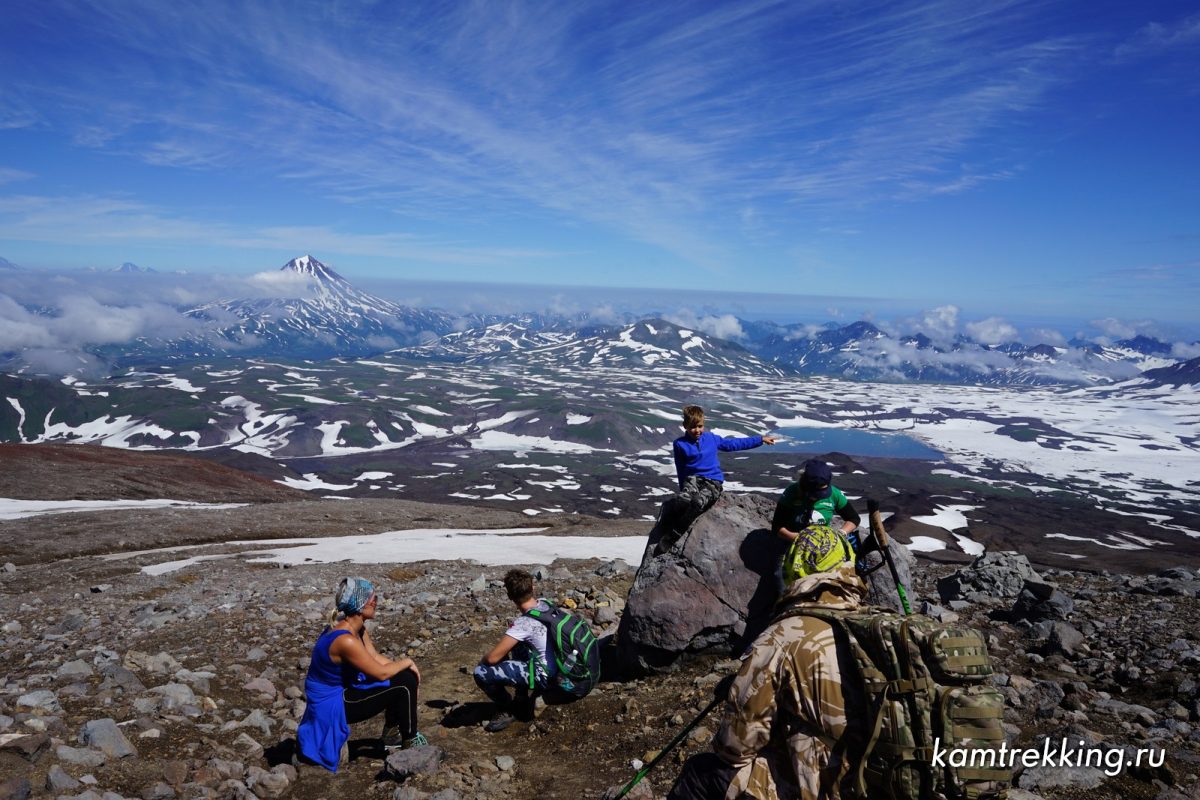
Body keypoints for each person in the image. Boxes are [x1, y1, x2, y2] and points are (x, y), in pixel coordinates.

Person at [666, 552, 866, 799]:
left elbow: (735, 747)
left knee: (700, 775)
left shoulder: (782, 635)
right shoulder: (871, 626)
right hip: (882, 780)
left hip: (828, 785)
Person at [296, 577, 425, 771]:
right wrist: (407, 662)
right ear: (358, 604)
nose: (375, 602)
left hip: (343, 689)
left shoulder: (355, 627)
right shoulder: (346, 640)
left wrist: (405, 668)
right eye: (371, 598)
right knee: (404, 683)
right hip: (333, 704)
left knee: (404, 676)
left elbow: (374, 656)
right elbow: (381, 673)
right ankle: (409, 741)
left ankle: (392, 734)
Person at [658, 404, 776, 552]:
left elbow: (734, 444)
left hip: (713, 481)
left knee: (697, 503)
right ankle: (671, 520)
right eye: (692, 427)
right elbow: (681, 468)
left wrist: (760, 439)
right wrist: (683, 490)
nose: (697, 430)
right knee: (684, 499)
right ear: (685, 426)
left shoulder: (712, 439)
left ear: (704, 424)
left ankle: (674, 535)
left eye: (700, 426)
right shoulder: (679, 444)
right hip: (693, 479)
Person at [473, 568, 557, 733]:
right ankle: (521, 696)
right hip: (559, 665)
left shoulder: (523, 623)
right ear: (532, 588)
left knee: (481, 672)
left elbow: (492, 659)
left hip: (545, 675)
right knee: (518, 643)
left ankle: (508, 708)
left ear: (510, 596)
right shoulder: (546, 604)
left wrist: (483, 660)